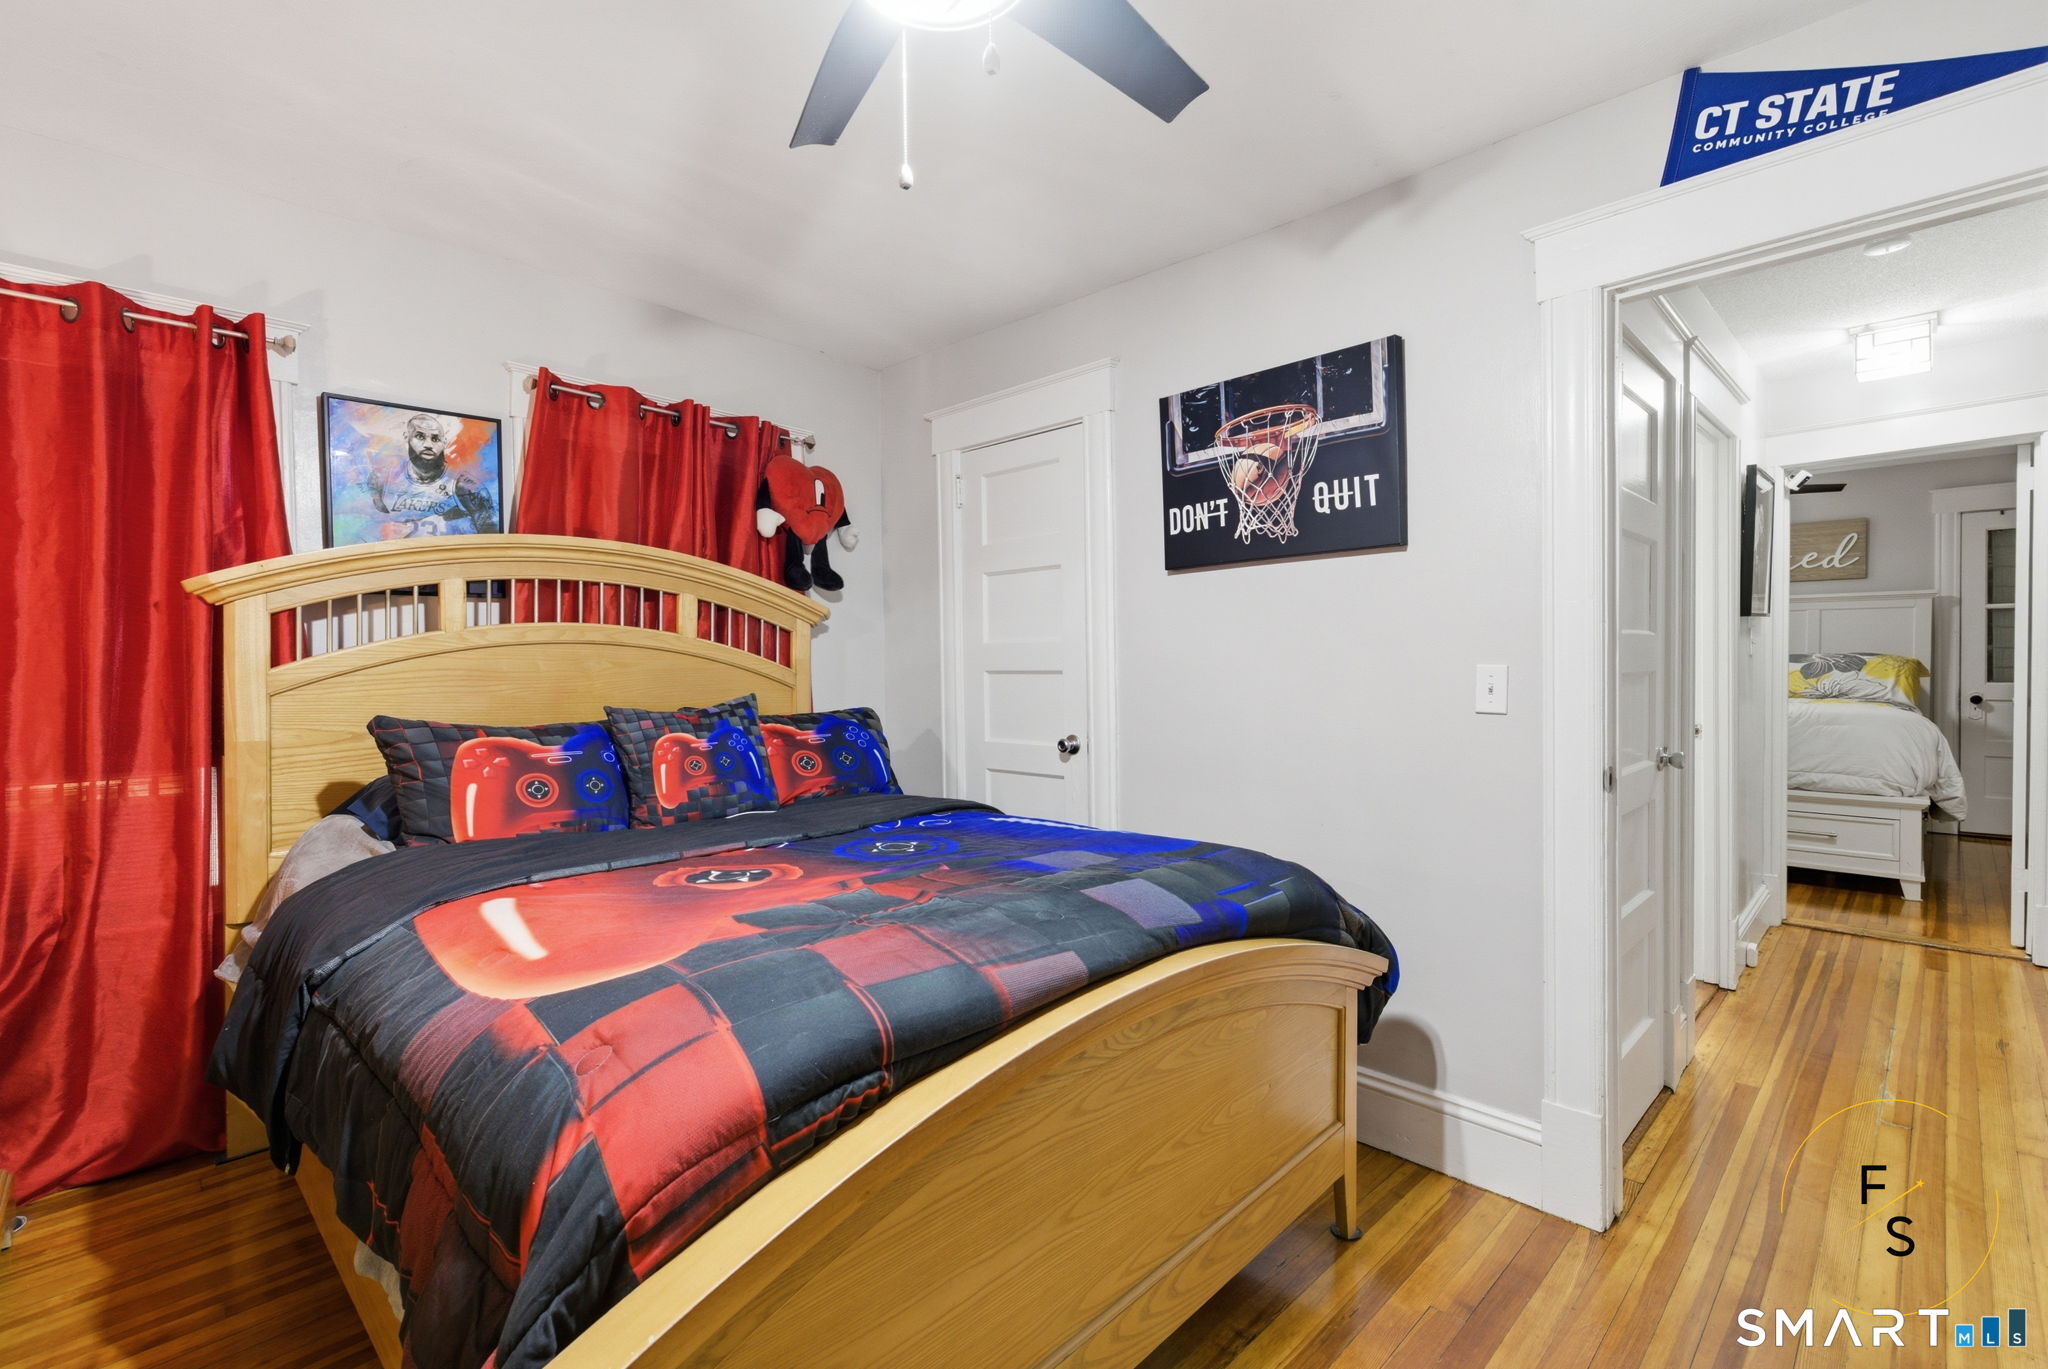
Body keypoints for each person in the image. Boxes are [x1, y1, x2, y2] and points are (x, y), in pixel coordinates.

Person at [365, 413, 499, 537]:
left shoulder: (464, 486)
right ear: (407, 437)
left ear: (444, 442)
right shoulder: (383, 477)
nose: (428, 445)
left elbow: (490, 537)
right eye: (420, 436)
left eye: (435, 439)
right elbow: (372, 518)